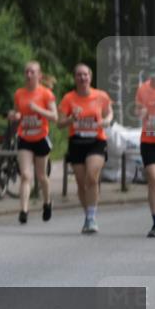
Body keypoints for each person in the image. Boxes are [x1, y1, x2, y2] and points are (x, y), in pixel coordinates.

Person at [57, 63, 113, 234]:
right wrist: (71, 118)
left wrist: (106, 121)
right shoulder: (68, 99)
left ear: (90, 77)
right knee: (81, 183)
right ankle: (88, 216)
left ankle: (92, 217)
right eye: (79, 75)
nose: (82, 78)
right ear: (75, 78)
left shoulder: (101, 96)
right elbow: (59, 123)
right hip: (77, 142)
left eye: (85, 75)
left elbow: (109, 113)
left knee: (91, 176)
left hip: (96, 141)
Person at [7, 61, 57, 224]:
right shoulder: (19, 93)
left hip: (41, 138)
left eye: (32, 72)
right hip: (25, 138)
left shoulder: (46, 94)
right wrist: (14, 115)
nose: (28, 75)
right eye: (26, 72)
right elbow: (17, 111)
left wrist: (37, 109)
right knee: (26, 176)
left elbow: (54, 117)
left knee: (42, 176)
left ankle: (47, 203)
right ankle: (24, 210)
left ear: (39, 76)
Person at [135, 56, 155, 238]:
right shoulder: (143, 89)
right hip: (149, 140)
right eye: (152, 76)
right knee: (153, 179)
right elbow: (137, 111)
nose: (154, 79)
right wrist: (142, 112)